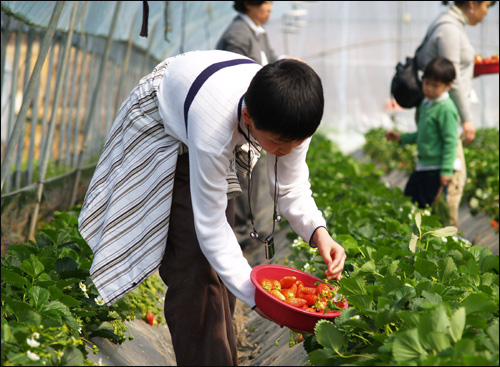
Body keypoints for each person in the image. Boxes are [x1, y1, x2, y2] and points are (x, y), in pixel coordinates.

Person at [78, 50, 347, 366]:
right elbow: (210, 226)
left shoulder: (292, 112)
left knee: (223, 272)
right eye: (279, 144)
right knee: (194, 264)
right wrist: (261, 299)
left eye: (296, 144)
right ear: (248, 119)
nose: (285, 152)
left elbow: (290, 188)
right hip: (163, 122)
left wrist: (319, 233)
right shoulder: (214, 127)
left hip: (209, 111)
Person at [415, 0, 496, 225]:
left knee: (443, 184)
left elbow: (452, 74)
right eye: (486, 6)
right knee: (452, 180)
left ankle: (434, 235)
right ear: (472, 3)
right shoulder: (449, 29)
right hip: (444, 118)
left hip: (440, 114)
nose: (485, 13)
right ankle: (445, 238)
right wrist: (467, 119)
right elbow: (452, 78)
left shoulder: (448, 24)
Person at [216, 1, 279, 248]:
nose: (271, 8)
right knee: (241, 176)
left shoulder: (256, 33)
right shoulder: (238, 35)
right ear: (249, 3)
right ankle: (238, 235)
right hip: (239, 121)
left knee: (251, 175)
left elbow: (272, 65)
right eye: (266, 2)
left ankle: (246, 231)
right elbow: (234, 77)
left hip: (253, 119)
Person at [386, 57, 459, 209]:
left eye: (435, 86)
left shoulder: (446, 108)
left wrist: (446, 170)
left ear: (448, 86)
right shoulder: (426, 104)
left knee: (428, 206)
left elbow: (451, 141)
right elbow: (422, 134)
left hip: (437, 168)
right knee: (409, 199)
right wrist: (401, 138)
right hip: (424, 166)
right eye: (426, 83)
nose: (429, 89)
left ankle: (427, 232)